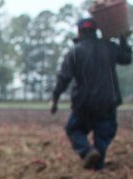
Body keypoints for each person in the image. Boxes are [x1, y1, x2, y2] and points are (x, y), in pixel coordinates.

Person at [51, 18, 132, 170]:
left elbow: (63, 78)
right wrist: (123, 39)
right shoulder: (109, 47)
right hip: (107, 101)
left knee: (74, 129)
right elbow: (126, 59)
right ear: (96, 31)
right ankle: (97, 166)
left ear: (79, 32)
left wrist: (55, 99)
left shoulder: (74, 52)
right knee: (103, 133)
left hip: (84, 103)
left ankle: (87, 151)